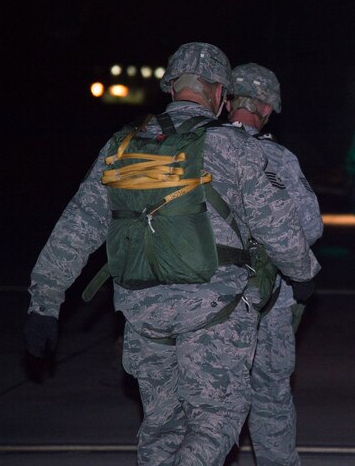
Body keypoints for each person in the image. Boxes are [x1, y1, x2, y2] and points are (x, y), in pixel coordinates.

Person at [23, 42, 320, 466]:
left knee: (161, 428)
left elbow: (78, 225)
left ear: (170, 85)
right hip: (213, 312)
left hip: (143, 313)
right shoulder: (233, 147)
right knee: (216, 421)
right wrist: (304, 274)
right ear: (219, 94)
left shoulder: (123, 144)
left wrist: (44, 303)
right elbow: (279, 225)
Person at [226, 63, 323, 466]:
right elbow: (311, 226)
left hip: (204, 305)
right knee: (271, 401)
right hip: (269, 305)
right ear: (266, 109)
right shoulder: (276, 158)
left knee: (205, 407)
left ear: (225, 101)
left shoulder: (197, 150)